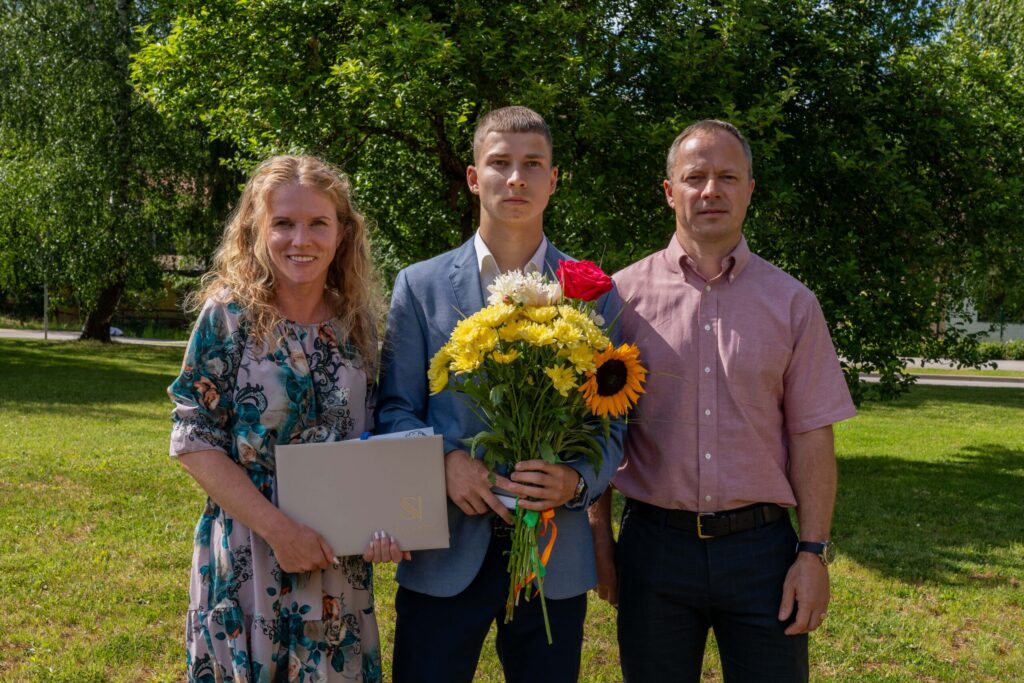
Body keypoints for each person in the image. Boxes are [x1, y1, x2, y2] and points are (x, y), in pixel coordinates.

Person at [589, 120, 857, 682]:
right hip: (653, 552)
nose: (711, 190)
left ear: (750, 190)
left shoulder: (792, 304)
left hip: (763, 556)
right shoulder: (620, 299)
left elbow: (811, 435)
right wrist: (599, 537)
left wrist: (812, 553)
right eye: (695, 177)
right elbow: (599, 428)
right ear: (670, 191)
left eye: (728, 177)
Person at [375, 106, 624, 683]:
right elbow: (395, 409)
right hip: (444, 550)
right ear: (473, 176)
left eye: (533, 164)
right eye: (500, 163)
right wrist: (442, 462)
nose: (516, 179)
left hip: (553, 556)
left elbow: (612, 423)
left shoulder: (593, 292)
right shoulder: (419, 285)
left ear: (553, 180)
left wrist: (576, 481)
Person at [167, 155, 406, 683]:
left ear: (342, 233)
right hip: (248, 556)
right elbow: (193, 437)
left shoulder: (359, 325)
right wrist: (280, 531)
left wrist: (385, 521)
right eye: (283, 223)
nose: (301, 239)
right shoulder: (228, 316)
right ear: (257, 229)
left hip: (336, 567)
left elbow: (376, 441)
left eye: (318, 222)